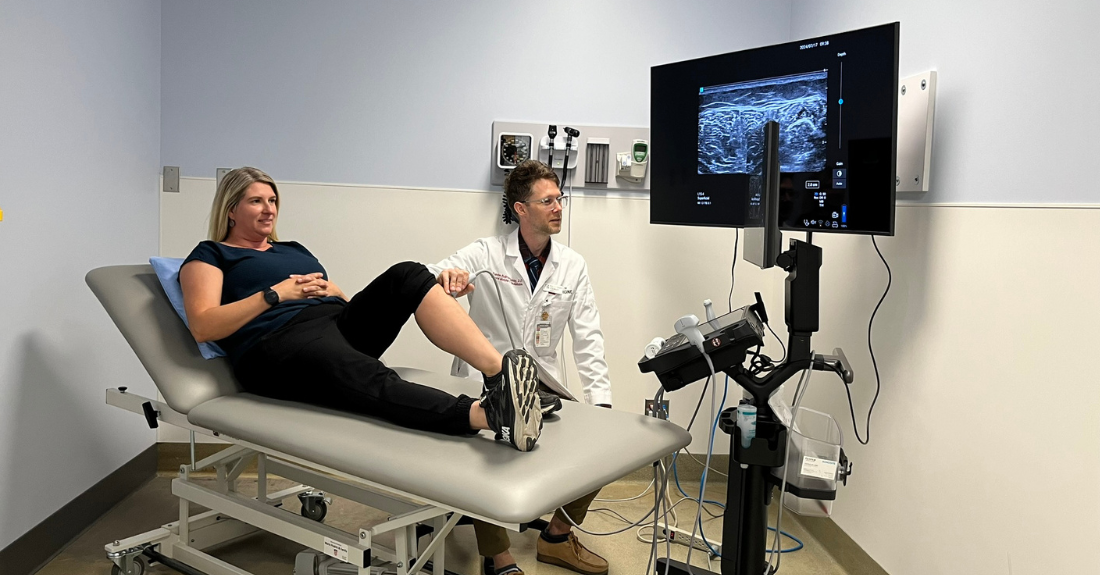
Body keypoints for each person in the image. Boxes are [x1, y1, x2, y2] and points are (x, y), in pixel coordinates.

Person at [178, 167, 542, 452]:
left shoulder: (291, 248)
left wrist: (340, 295)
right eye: (256, 201)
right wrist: (274, 295)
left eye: (273, 200)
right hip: (276, 347)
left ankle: (500, 379)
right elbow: (203, 326)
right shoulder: (213, 254)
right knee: (368, 374)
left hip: (329, 324)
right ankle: (489, 416)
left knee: (409, 274)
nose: (269, 209)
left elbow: (339, 306)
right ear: (230, 211)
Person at [427, 160, 611, 575]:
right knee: (487, 456)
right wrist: (448, 277)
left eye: (560, 199)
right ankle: (499, 558)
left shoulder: (573, 265)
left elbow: (588, 336)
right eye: (547, 201)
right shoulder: (487, 252)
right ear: (521, 209)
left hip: (544, 382)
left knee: (607, 448)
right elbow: (428, 272)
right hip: (486, 382)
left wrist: (601, 403)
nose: (558, 207)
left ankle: (557, 537)